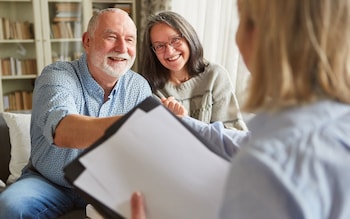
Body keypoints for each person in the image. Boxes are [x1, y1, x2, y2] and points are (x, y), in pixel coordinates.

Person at [131, 0, 350, 218]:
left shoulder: (261, 165)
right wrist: (180, 123)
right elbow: (233, 141)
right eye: (159, 46)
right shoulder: (333, 125)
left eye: (243, 20)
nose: (236, 38)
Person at [0, 8, 154, 218]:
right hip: (49, 182)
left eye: (129, 40)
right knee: (11, 206)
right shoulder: (57, 75)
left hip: (107, 186)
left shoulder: (139, 86)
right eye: (111, 37)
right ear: (87, 41)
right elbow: (64, 130)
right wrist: (134, 124)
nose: (122, 48)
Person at [140, 11, 248, 131]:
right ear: (153, 52)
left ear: (189, 38)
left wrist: (186, 122)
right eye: (160, 46)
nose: (169, 51)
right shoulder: (146, 87)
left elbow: (234, 134)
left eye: (175, 39)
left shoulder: (215, 76)